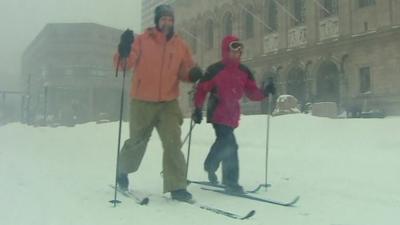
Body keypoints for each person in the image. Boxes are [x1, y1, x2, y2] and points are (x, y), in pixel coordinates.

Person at [114, 4, 203, 202]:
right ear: (156, 20)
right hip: (142, 101)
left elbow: (185, 70)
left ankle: (178, 186)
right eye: (163, 19)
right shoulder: (142, 40)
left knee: (173, 143)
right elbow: (124, 64)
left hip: (168, 103)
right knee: (137, 142)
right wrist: (123, 50)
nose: (167, 22)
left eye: (170, 19)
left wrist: (192, 73)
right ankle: (122, 172)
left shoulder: (180, 45)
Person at [192, 35, 275, 193]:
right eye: (233, 51)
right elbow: (202, 89)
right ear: (226, 51)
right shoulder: (215, 69)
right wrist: (197, 108)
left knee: (223, 142)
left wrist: (265, 91)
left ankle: (210, 165)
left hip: (232, 113)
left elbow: (252, 93)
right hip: (217, 110)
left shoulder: (244, 71)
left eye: (239, 52)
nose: (237, 54)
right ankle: (231, 181)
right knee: (230, 144)